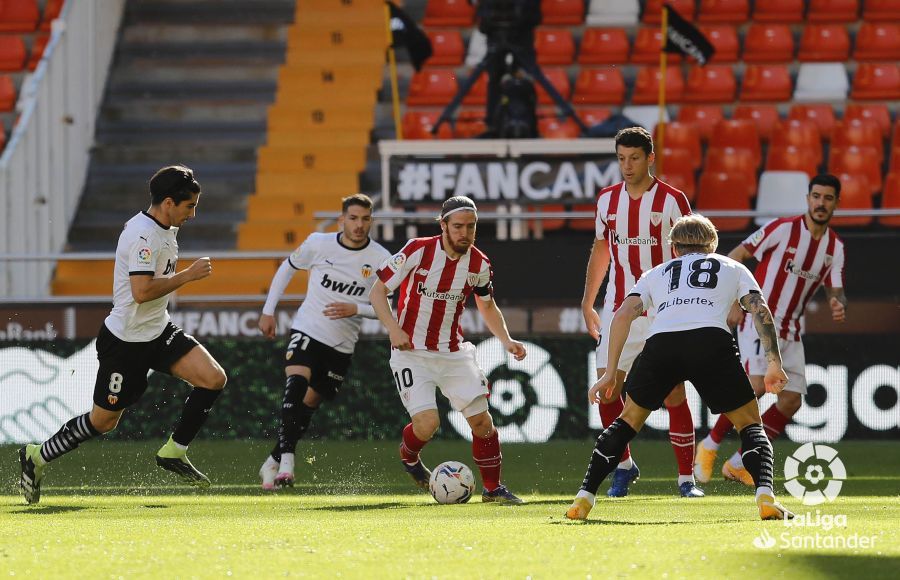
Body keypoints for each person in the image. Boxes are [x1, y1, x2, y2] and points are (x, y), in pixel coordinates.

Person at [18, 165, 227, 504]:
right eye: (190, 206)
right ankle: (36, 456)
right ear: (170, 202)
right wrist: (188, 276)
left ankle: (174, 451)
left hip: (158, 331)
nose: (194, 213)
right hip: (127, 342)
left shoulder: (165, 226)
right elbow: (142, 291)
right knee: (103, 422)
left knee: (213, 378)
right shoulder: (142, 236)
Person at [566, 215, 794, 522]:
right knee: (750, 425)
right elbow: (759, 309)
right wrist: (773, 362)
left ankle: (583, 498)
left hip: (662, 343)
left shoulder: (656, 272)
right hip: (710, 341)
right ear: (712, 245)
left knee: (626, 422)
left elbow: (621, 316)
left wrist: (609, 373)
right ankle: (765, 496)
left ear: (674, 248)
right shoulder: (733, 267)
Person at [369, 196, 527, 504]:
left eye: (471, 227)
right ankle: (409, 456)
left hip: (454, 352)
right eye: (457, 226)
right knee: (428, 425)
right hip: (411, 352)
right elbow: (377, 291)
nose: (464, 233)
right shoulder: (417, 250)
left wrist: (507, 340)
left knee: (483, 422)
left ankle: (493, 489)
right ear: (443, 225)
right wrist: (393, 328)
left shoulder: (479, 264)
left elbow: (487, 304)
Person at [694, 174, 847, 486]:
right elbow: (737, 255)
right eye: (816, 196)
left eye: (827, 198)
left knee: (791, 401)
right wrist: (735, 299)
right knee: (757, 385)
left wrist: (837, 302)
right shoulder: (782, 229)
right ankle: (708, 446)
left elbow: (836, 288)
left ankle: (739, 463)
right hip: (758, 318)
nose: (820, 203)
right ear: (808, 199)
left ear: (835, 203)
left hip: (791, 329)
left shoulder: (835, 247)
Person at [582, 126, 702, 498]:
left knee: (673, 392)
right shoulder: (606, 201)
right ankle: (624, 465)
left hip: (665, 307)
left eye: (634, 158)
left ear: (650, 158)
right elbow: (601, 250)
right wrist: (588, 301)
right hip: (620, 306)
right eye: (621, 158)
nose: (627, 165)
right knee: (607, 387)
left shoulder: (672, 200)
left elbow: (693, 253)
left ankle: (686, 480)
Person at [257, 194, 391, 490]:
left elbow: (389, 309)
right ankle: (288, 463)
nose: (358, 225)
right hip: (308, 328)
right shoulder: (319, 243)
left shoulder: (381, 259)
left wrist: (357, 308)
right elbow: (287, 267)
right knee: (296, 383)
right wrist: (269, 310)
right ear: (342, 219)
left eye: (365, 219)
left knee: (308, 405)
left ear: (371, 221)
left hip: (342, 345)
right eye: (353, 218)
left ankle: (272, 461)